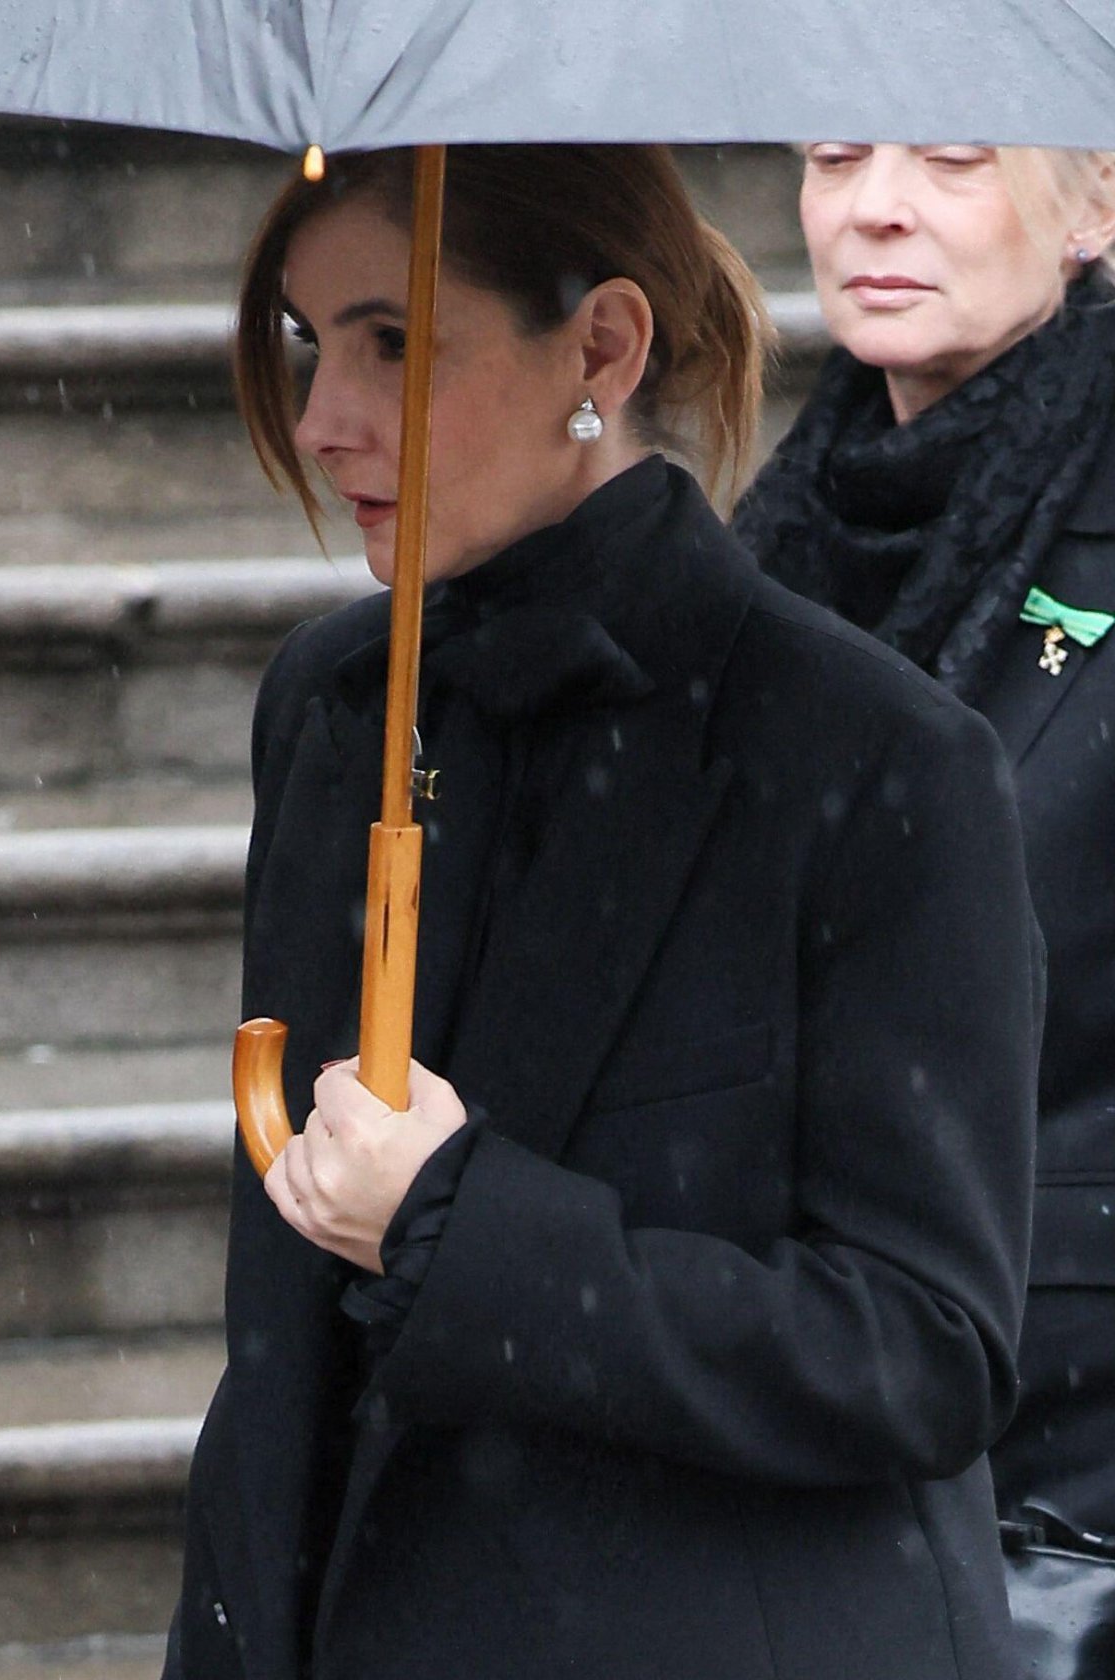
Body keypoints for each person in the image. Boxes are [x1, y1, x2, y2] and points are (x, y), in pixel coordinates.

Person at [165, 143, 1041, 1680]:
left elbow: (922, 1349)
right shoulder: (331, 709)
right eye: (312, 344)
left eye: (396, 343)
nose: (321, 421)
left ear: (606, 347)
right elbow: (283, 1362)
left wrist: (463, 1229)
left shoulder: (870, 754)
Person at [734, 142, 1115, 1549]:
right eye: (835, 156)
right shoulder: (773, 529)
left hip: (1061, 1436)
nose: (875, 203)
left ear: (1099, 206)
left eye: (954, 159)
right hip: (807, 1375)